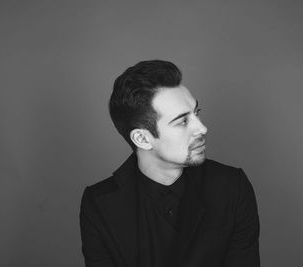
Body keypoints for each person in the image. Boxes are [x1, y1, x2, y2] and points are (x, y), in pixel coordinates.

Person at [79, 60, 260, 267]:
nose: (202, 128)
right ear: (142, 139)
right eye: (182, 121)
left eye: (196, 113)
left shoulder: (231, 188)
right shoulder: (99, 204)